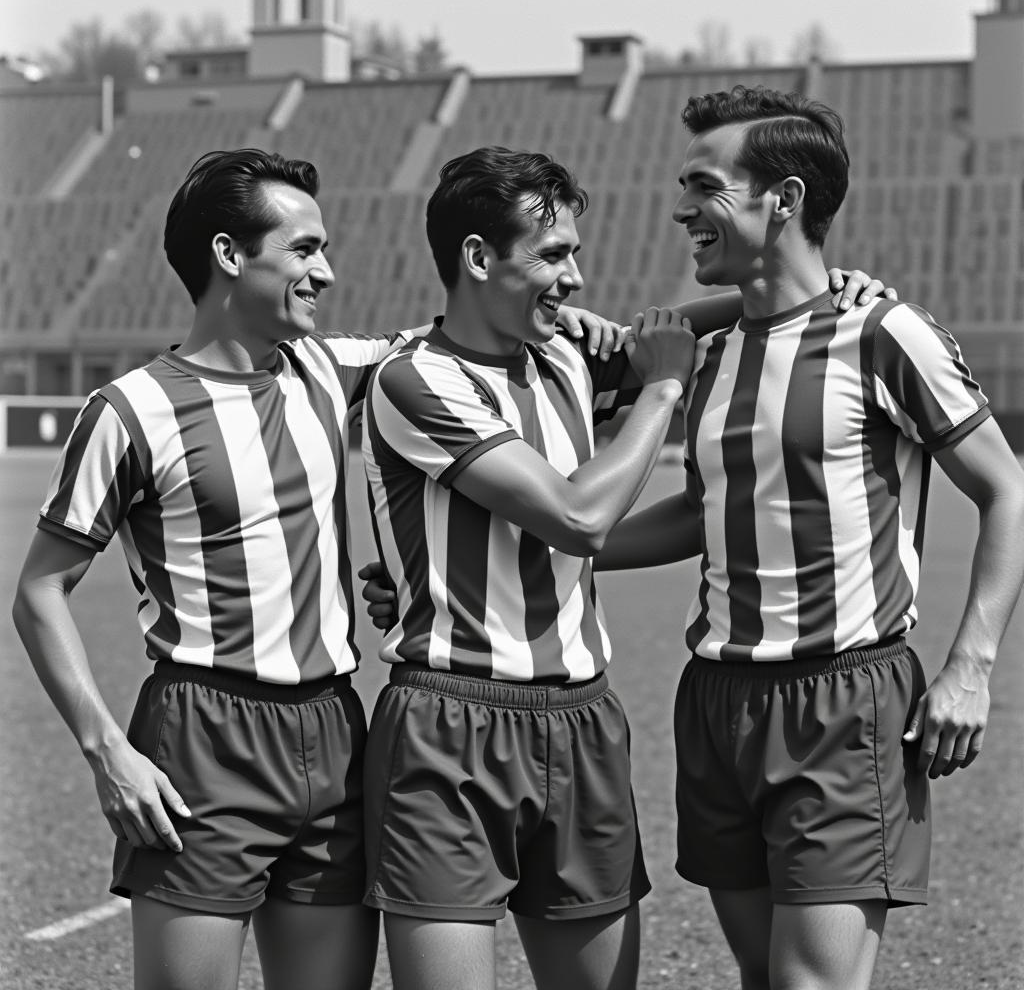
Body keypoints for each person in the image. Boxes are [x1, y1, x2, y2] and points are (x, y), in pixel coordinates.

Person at [8, 147, 621, 990]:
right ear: (229, 255)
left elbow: (478, 329)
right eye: (303, 250)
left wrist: (807, 294)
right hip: (203, 736)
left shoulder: (336, 370)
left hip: (335, 737)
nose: (326, 271)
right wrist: (106, 750)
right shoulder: (127, 411)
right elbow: (39, 590)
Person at [356, 145, 893, 990]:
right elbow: (578, 515)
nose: (574, 280)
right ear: (476, 258)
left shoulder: (568, 356)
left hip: (581, 724)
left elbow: (691, 324)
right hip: (447, 727)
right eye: (553, 256)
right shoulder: (414, 379)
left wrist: (838, 289)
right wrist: (662, 391)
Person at [591, 86, 1024, 990]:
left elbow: (1006, 489)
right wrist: (567, 546)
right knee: (763, 977)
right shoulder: (707, 352)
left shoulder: (883, 332)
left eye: (704, 187)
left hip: (842, 701)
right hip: (716, 703)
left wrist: (971, 665)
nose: (680, 210)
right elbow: (705, 509)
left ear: (782, 200)